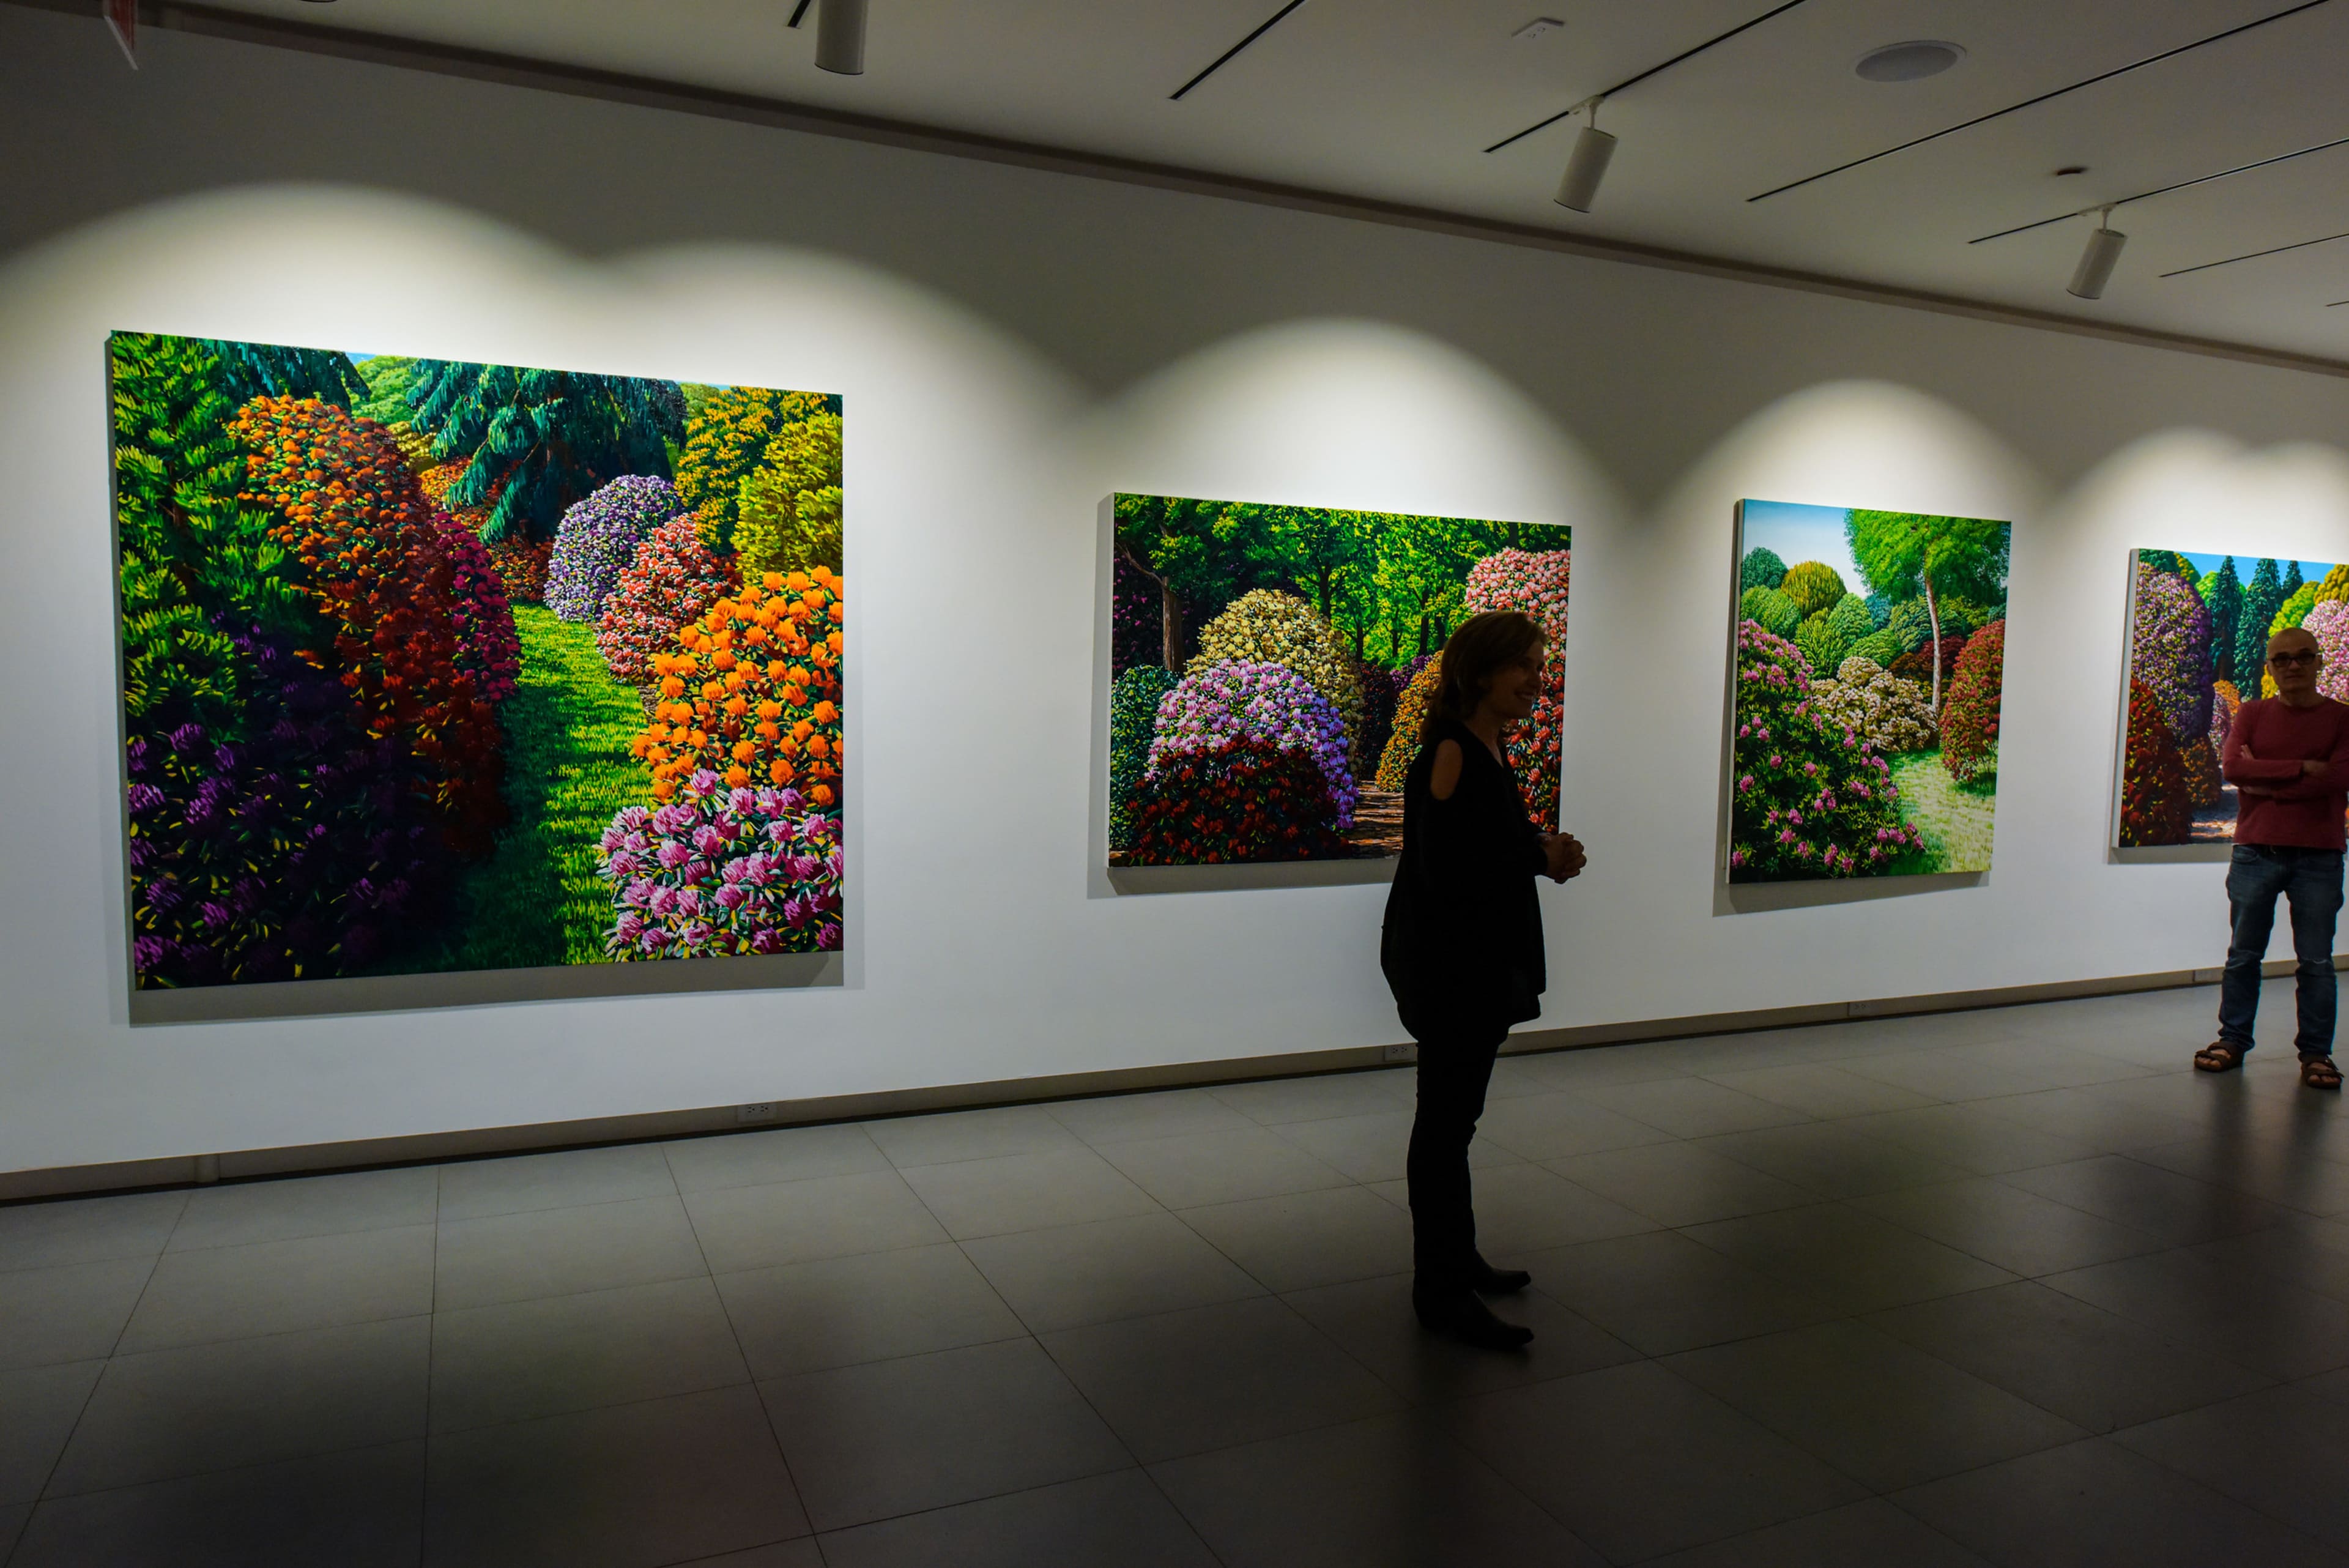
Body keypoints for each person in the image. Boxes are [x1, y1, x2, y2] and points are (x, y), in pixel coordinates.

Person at [1381, 610, 1584, 1350]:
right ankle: (1439, 1291)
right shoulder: (1451, 751)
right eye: (1525, 666)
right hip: (1450, 969)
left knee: (1453, 1126)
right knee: (1443, 1128)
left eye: (1540, 663)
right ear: (1480, 672)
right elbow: (1446, 871)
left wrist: (1537, 848)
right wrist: (1540, 857)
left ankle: (1456, 1261)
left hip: (1471, 965)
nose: (1538, 679)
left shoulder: (1486, 748)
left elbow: (1478, 845)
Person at [2196, 625, 2349, 1089]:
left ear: (2319, 661)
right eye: (2282, 659)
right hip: (2255, 852)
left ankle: (2317, 1055)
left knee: (2317, 961)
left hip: (2319, 855)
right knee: (2243, 955)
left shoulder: (2343, 719)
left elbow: (2339, 778)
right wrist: (2302, 768)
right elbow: (2233, 767)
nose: (2293, 665)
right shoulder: (2252, 713)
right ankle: (2233, 1039)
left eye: (2303, 656)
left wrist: (2265, 784)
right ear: (2270, 667)